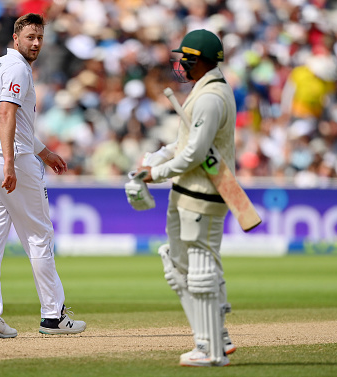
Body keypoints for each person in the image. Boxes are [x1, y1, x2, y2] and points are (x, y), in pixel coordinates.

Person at [0, 13, 86, 339]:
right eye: (30, 37)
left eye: (39, 37)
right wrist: (11, 162)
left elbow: (13, 121)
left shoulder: (0, 65)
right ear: (16, 38)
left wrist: (45, 153)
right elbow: (7, 113)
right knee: (39, 235)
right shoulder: (19, 68)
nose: (35, 43)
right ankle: (53, 316)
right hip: (13, 162)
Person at [135, 29, 236, 367]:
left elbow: (194, 153)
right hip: (186, 190)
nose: (180, 64)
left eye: (185, 58)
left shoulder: (211, 97)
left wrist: (156, 174)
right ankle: (216, 337)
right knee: (177, 265)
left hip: (203, 193)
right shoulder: (201, 91)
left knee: (201, 268)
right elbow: (183, 145)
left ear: (199, 60)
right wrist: (157, 157)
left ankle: (211, 350)